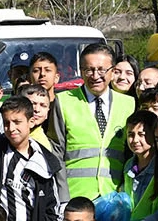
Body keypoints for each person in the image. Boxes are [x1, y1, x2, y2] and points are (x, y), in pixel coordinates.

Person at [50, 42, 134, 199]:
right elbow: (56, 153)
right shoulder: (63, 101)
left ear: (113, 72)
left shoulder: (129, 104)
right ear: (81, 72)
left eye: (102, 70)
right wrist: (62, 198)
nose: (95, 76)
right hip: (76, 198)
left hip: (114, 198)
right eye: (89, 70)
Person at [19, 84, 56, 151]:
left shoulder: (42, 145)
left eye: (43, 105)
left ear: (47, 112)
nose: (37, 109)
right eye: (33, 104)